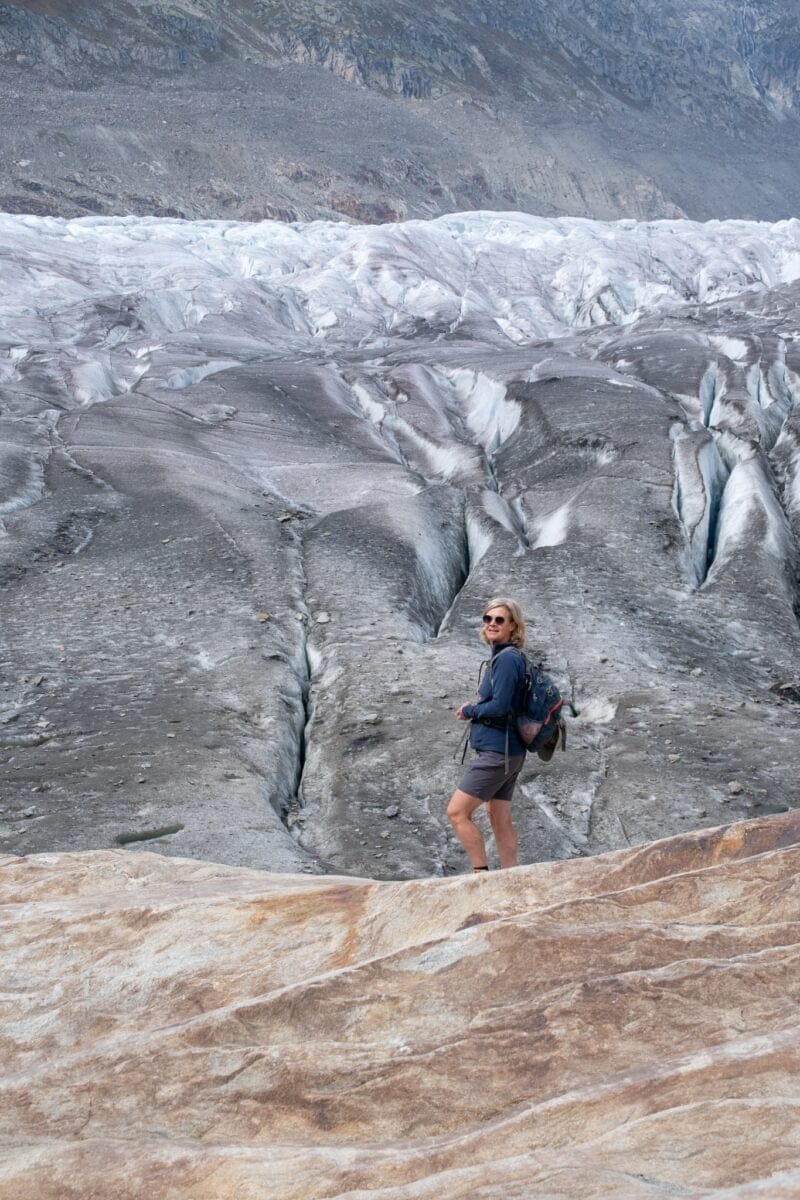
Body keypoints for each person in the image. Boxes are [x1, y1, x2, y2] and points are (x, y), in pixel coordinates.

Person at [447, 598, 528, 872]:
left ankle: (480, 876)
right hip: (509, 751)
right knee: (498, 816)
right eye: (487, 619)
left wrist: (470, 710)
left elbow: (501, 705)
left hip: (498, 751)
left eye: (500, 620)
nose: (492, 624)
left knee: (457, 812)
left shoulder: (506, 660)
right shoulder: (507, 657)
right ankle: (510, 876)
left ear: (513, 626)